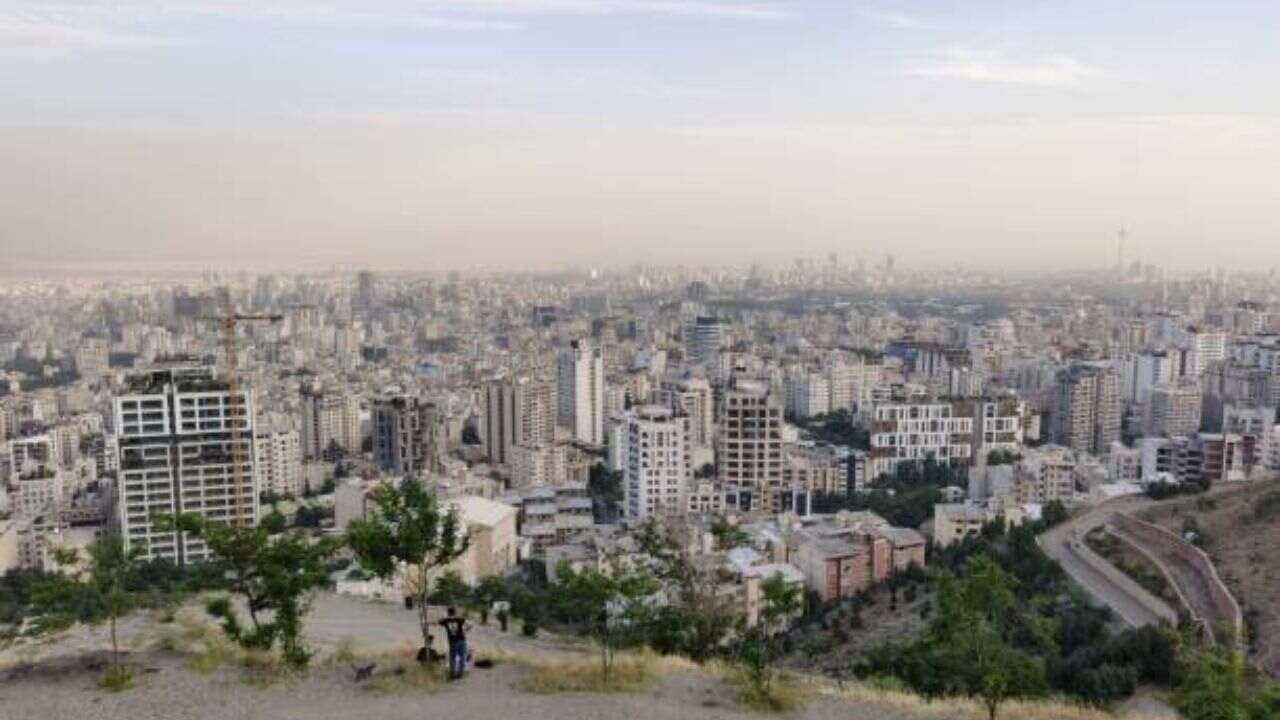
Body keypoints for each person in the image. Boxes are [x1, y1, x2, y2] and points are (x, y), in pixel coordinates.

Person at [439, 607, 469, 680]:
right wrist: (464, 631)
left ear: (448, 612)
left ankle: (452, 674)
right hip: (462, 639)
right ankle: (460, 673)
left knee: (452, 658)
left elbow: (436, 622)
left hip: (452, 641)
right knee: (462, 657)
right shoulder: (460, 619)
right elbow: (470, 625)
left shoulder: (445, 620)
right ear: (455, 612)